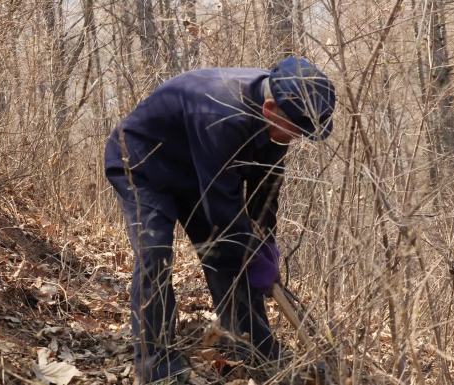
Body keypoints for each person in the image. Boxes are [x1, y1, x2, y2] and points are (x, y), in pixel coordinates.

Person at [104, 56, 335, 383]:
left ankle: (256, 351)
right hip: (143, 165)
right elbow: (221, 203)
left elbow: (264, 195)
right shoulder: (219, 113)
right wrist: (250, 254)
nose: (297, 138)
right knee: (155, 253)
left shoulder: (278, 123)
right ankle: (157, 365)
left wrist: (264, 245)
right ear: (270, 110)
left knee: (228, 253)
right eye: (297, 130)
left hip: (198, 173)